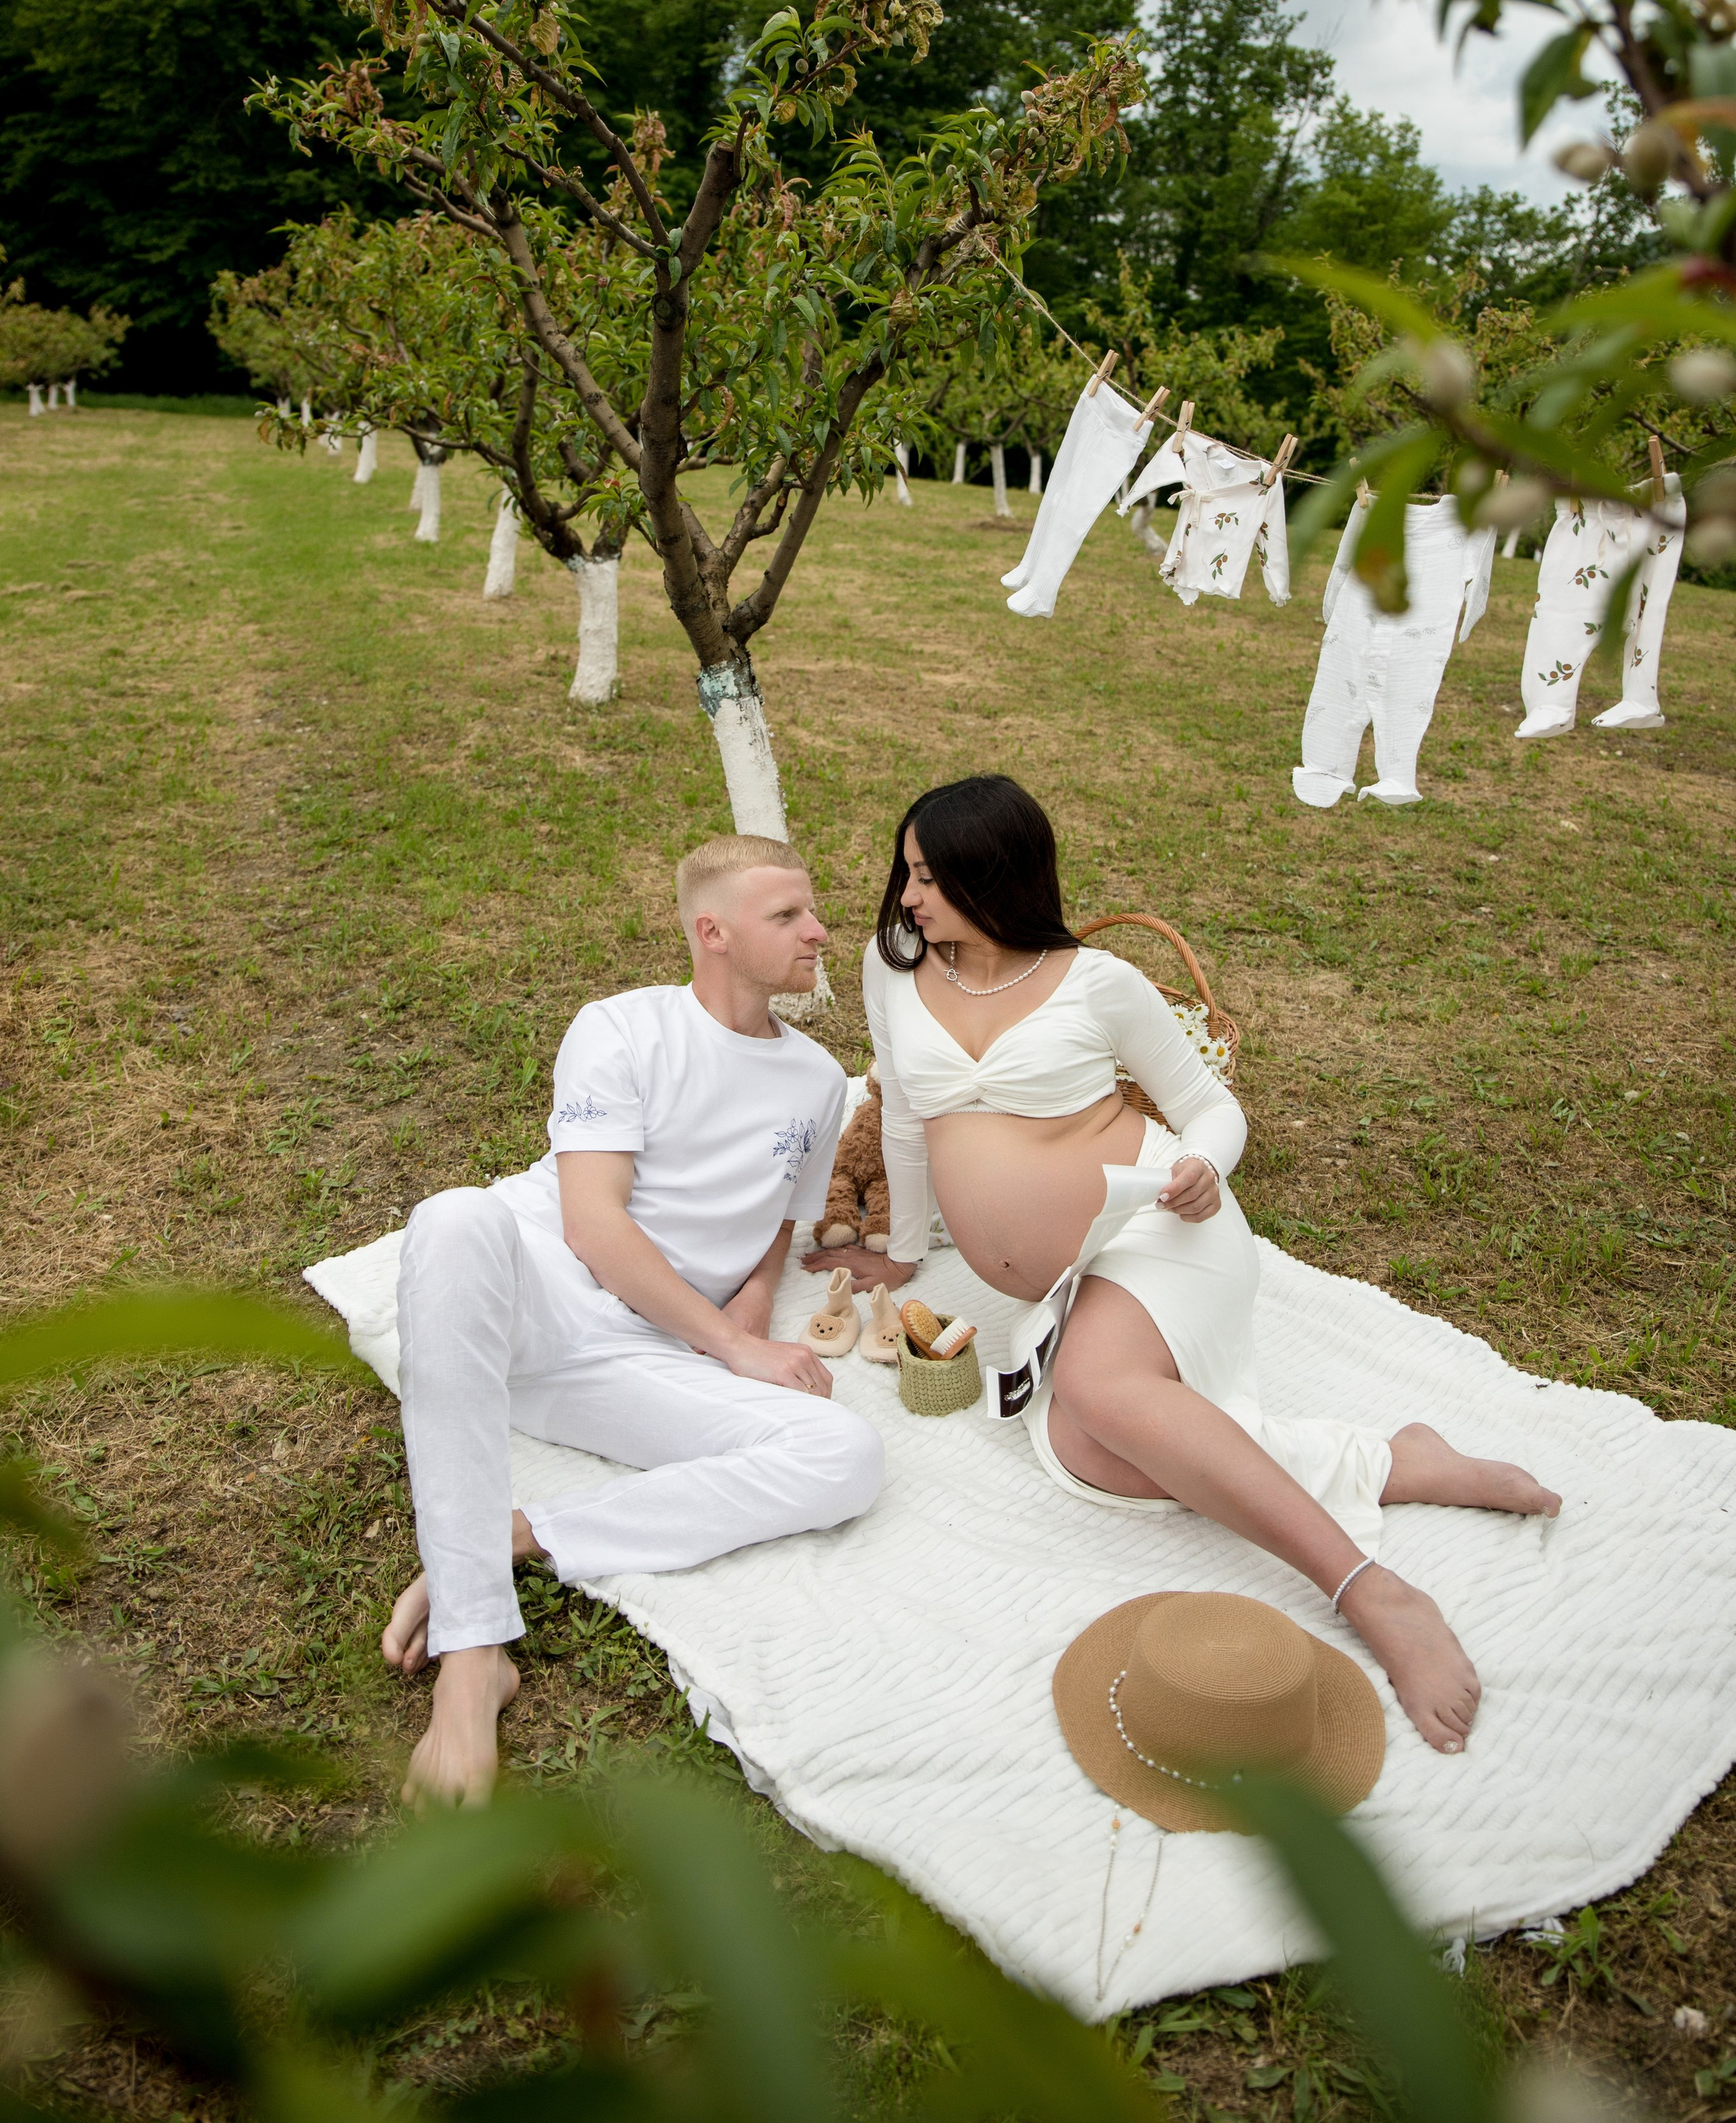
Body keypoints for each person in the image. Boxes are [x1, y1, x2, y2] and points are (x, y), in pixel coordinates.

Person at [863, 774, 1560, 1756]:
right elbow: (901, 1116)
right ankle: (1393, 1461)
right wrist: (901, 1253)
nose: (908, 897)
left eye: (932, 878)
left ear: (996, 876)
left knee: (1101, 1395)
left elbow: (1211, 1108)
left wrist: (1205, 1167)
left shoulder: (1098, 982)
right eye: (907, 872)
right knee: (1090, 1457)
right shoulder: (893, 968)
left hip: (1155, 1229)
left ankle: (1373, 1592)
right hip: (1066, 1278)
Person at [382, 834, 882, 1806]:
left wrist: (753, 1304)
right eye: (788, 915)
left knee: (845, 1457)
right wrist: (729, 1342)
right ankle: (473, 1657)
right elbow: (592, 1224)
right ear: (714, 933)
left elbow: (783, 1213)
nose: (819, 931)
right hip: (538, 1299)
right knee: (452, 1219)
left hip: (634, 1357)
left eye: (813, 911)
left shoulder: (821, 1079)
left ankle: (511, 1536)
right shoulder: (620, 1027)